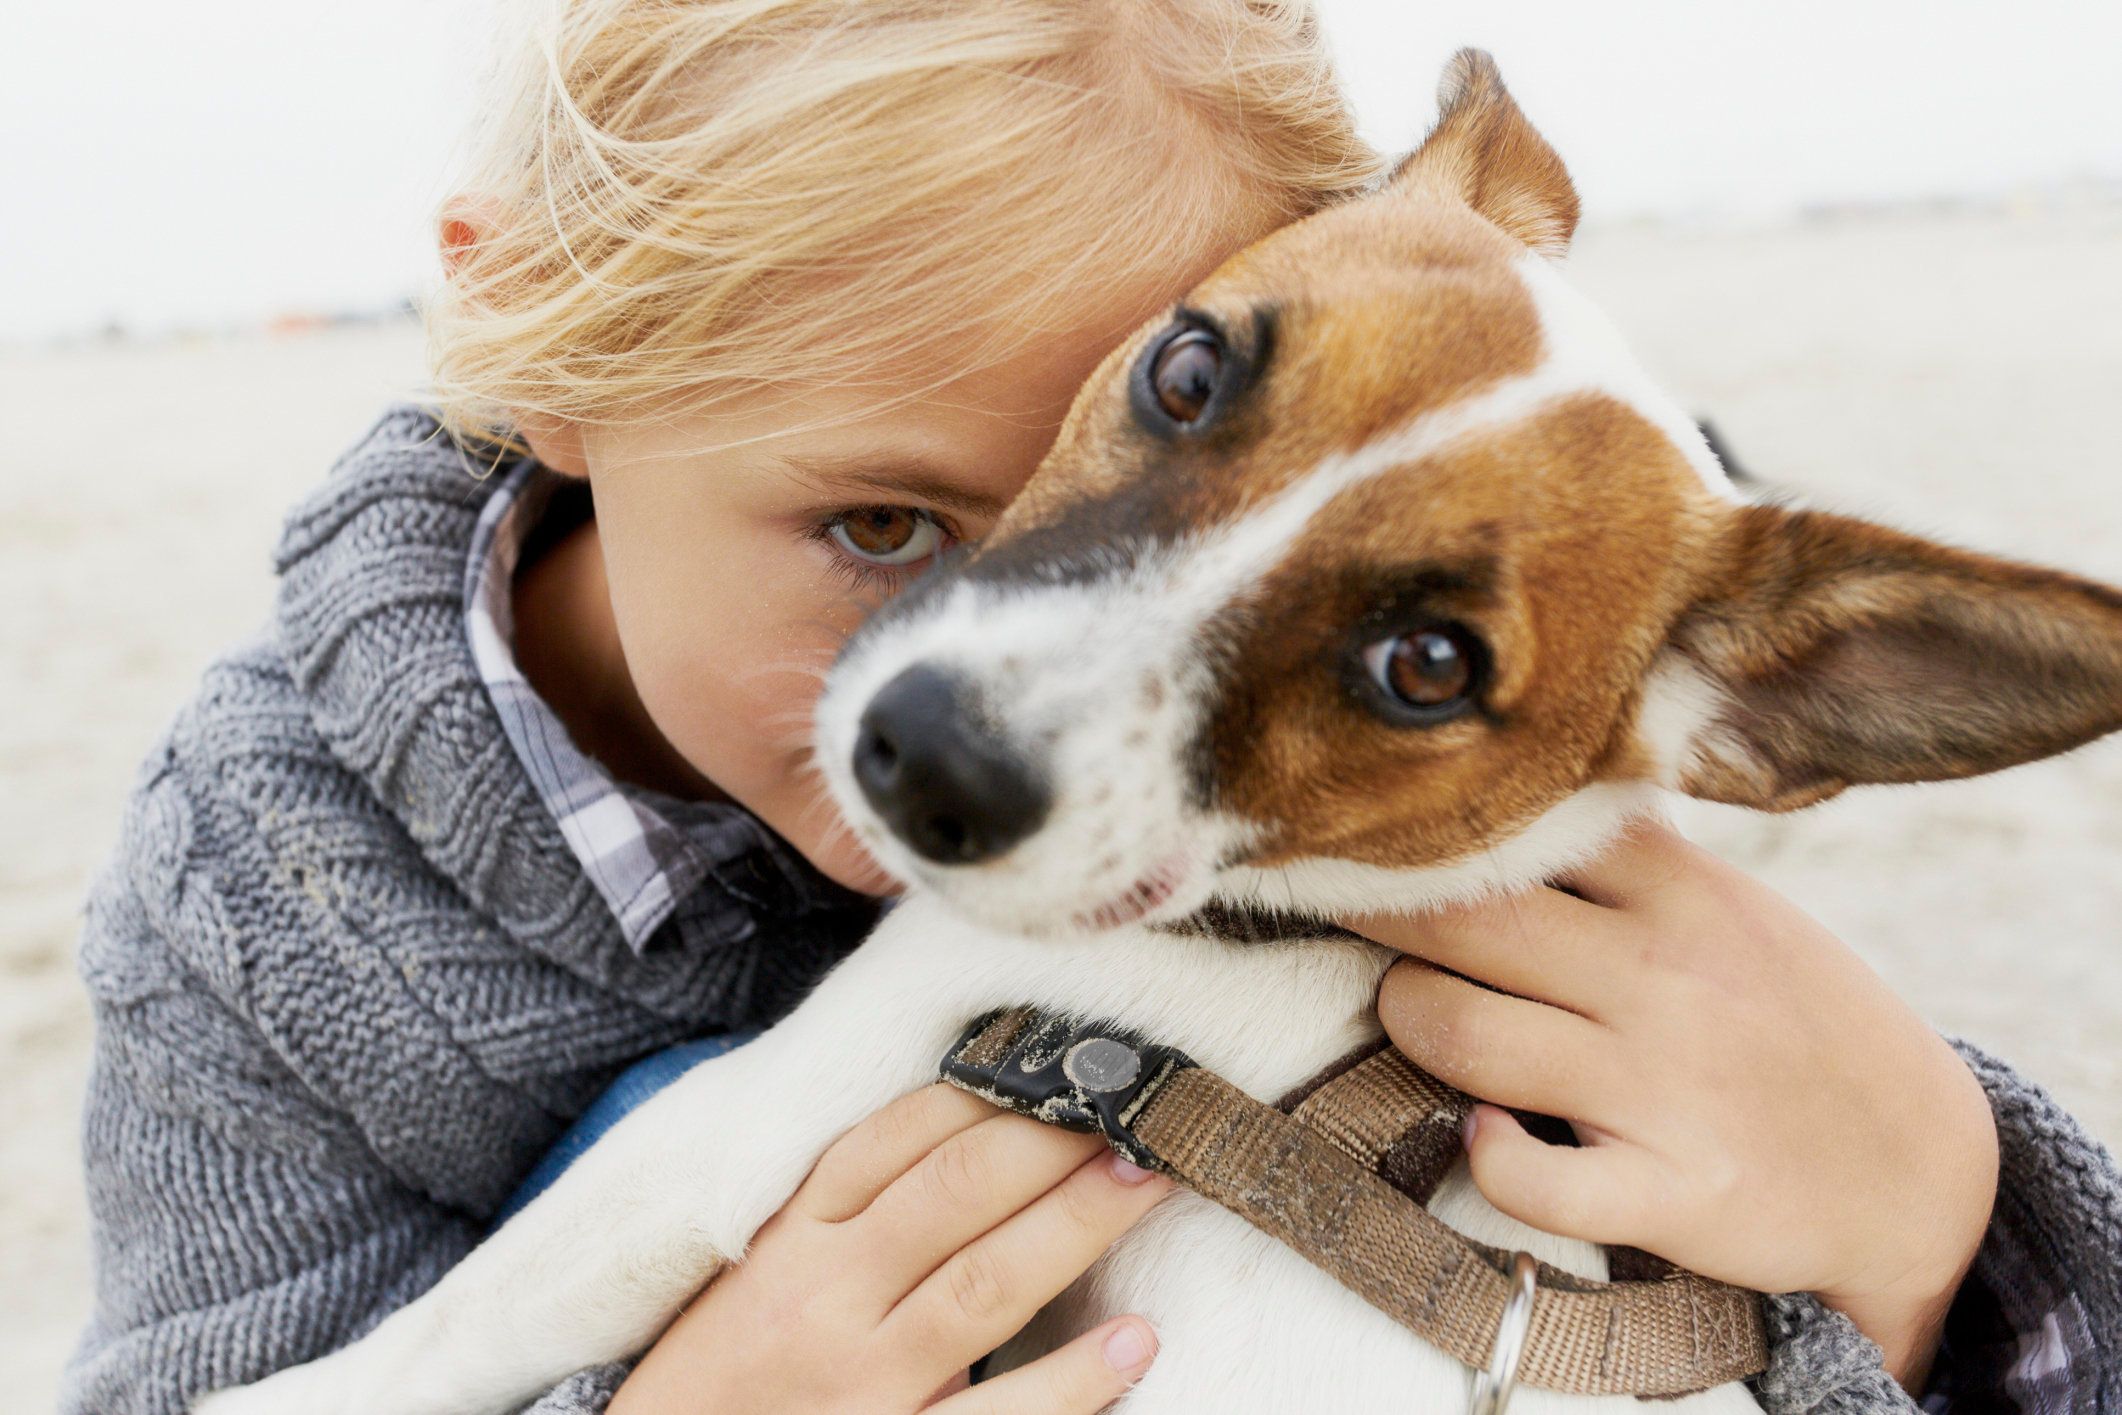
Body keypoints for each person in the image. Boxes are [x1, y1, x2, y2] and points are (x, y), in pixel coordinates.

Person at [62, 3, 2118, 1412]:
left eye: (1414, 664)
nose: (1006, 680)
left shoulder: (1569, 871)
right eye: (878, 518)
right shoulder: (271, 890)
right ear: (549, 365)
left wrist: (1930, 1216)